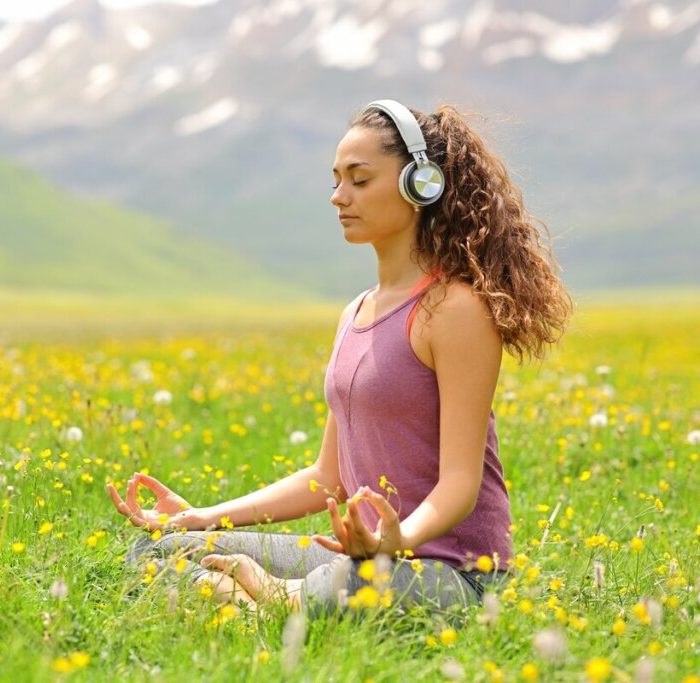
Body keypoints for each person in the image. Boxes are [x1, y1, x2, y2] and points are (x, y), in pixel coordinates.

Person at [107, 99, 572, 617]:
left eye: (359, 179)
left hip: (452, 574)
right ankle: (262, 604)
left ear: (422, 185)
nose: (338, 197)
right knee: (157, 551)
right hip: (358, 560)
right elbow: (327, 477)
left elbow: (460, 483)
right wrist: (201, 518)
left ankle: (267, 598)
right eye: (336, 180)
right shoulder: (356, 311)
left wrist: (394, 541)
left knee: (348, 585)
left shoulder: (455, 309)